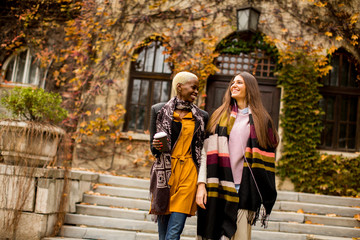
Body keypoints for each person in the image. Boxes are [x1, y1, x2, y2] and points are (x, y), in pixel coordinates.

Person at [196, 72, 279, 240]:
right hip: (217, 187)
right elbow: (204, 153)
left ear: (250, 88)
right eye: (233, 82)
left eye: (239, 82)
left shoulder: (262, 120)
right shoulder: (219, 116)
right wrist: (201, 185)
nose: (233, 85)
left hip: (244, 189)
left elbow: (267, 156)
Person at [149, 71, 209, 240]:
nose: (196, 91)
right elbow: (154, 151)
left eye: (198, 88)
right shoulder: (158, 110)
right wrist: (156, 146)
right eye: (193, 87)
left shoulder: (202, 116)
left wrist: (201, 183)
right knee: (163, 235)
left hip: (188, 174)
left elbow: (201, 151)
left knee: (173, 232)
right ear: (179, 87)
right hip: (165, 174)